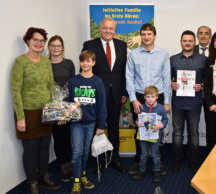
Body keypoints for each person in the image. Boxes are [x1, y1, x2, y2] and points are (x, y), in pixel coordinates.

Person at [10, 27, 61, 194]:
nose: (39, 43)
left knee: (45, 147)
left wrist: (57, 109)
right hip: (28, 112)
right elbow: (15, 91)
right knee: (30, 149)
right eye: (35, 40)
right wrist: (20, 117)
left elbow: (51, 86)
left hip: (46, 111)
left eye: (42, 40)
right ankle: (32, 182)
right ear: (28, 41)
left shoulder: (46, 62)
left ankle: (44, 176)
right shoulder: (20, 62)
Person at [82, 17, 128, 173]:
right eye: (105, 28)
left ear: (115, 30)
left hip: (115, 94)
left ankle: (115, 159)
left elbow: (123, 71)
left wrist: (124, 92)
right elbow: (86, 70)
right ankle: (99, 160)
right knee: (97, 129)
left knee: (114, 128)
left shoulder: (122, 45)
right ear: (99, 29)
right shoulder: (89, 45)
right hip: (96, 96)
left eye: (111, 28)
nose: (108, 31)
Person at [126, 23, 171, 175]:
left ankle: (159, 160)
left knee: (159, 129)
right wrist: (133, 99)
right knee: (140, 128)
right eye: (143, 34)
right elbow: (129, 77)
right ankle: (139, 160)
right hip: (139, 96)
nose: (146, 37)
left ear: (154, 35)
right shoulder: (134, 54)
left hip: (158, 96)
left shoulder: (163, 54)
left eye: (149, 34)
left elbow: (166, 78)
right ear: (141, 36)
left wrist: (166, 102)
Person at [68, 50, 107, 194]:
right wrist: (63, 114)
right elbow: (69, 102)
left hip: (91, 122)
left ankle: (82, 174)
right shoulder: (74, 81)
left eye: (88, 61)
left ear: (93, 63)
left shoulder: (97, 81)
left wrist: (101, 125)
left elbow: (102, 104)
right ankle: (76, 181)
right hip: (76, 122)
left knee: (85, 151)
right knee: (77, 151)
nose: (85, 63)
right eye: (83, 61)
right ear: (80, 62)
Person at [170, 30, 206, 173]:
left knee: (194, 133)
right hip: (178, 101)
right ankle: (177, 160)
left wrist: (201, 85)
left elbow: (207, 80)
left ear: (194, 42)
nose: (187, 43)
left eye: (190, 41)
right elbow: (168, 78)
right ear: (181, 42)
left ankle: (193, 161)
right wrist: (172, 84)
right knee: (177, 133)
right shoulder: (173, 59)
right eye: (184, 40)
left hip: (195, 103)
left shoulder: (203, 60)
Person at [47, 35, 75, 182]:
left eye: (58, 45)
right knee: (58, 138)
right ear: (49, 47)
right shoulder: (44, 64)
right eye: (53, 45)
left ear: (62, 47)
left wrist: (65, 113)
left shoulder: (69, 63)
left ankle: (69, 165)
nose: (56, 48)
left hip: (67, 106)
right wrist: (57, 113)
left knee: (67, 137)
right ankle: (63, 167)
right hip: (51, 107)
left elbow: (72, 86)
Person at [133, 86, 168, 183]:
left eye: (152, 96)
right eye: (148, 97)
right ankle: (141, 170)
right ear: (144, 97)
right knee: (143, 154)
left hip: (155, 136)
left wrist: (160, 125)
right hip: (143, 137)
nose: (150, 99)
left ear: (157, 97)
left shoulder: (161, 108)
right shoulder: (142, 107)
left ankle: (156, 171)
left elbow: (165, 119)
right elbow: (137, 119)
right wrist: (137, 123)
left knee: (155, 154)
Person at [194, 26, 212, 149]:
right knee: (192, 125)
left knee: (211, 124)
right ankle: (191, 152)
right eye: (201, 33)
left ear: (210, 36)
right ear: (197, 35)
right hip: (192, 93)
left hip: (210, 94)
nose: (203, 35)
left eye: (206, 33)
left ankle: (211, 150)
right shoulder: (190, 48)